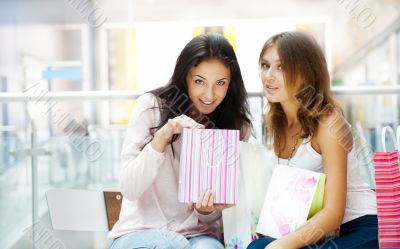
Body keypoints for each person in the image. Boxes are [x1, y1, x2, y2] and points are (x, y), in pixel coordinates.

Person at [109, 32, 252, 249]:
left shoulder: (235, 127)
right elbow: (130, 188)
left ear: (231, 83)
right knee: (173, 245)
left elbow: (213, 218)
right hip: (138, 233)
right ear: (184, 77)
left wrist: (206, 210)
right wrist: (162, 136)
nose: (209, 94)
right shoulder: (151, 108)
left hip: (197, 236)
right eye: (199, 81)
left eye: (220, 83)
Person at [247, 31, 378, 249]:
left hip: (358, 225)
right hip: (318, 231)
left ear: (306, 73)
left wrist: (279, 246)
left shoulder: (329, 123)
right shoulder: (277, 123)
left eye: (282, 67)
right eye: (265, 65)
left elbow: (334, 214)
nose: (269, 76)